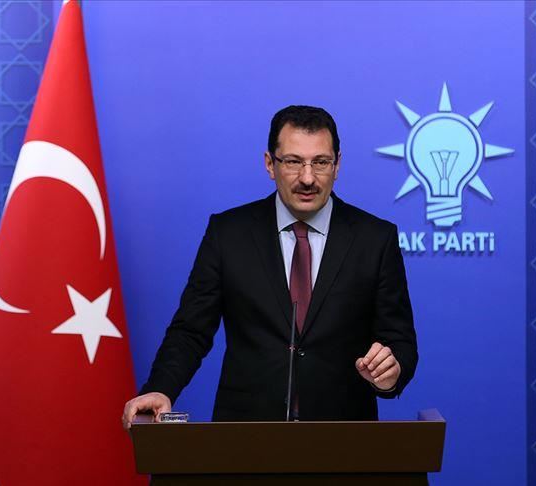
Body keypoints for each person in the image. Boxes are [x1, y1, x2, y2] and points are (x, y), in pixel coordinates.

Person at [122, 105, 418, 427]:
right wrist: (161, 388)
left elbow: (399, 341)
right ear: (269, 164)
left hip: (343, 438)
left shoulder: (375, 239)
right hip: (246, 437)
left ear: (337, 165)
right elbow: (191, 330)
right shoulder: (228, 233)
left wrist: (390, 373)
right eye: (293, 162)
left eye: (320, 162)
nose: (308, 178)